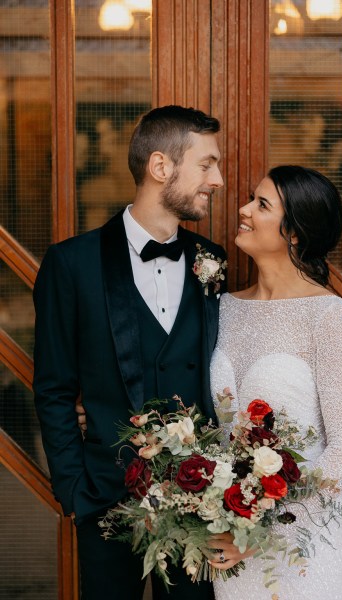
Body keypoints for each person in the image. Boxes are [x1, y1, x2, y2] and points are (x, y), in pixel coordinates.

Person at [33, 105, 226, 600]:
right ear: (161, 167)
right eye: (206, 164)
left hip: (198, 506)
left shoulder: (212, 262)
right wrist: (74, 489)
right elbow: (53, 388)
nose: (218, 179)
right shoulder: (71, 264)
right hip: (105, 499)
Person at [208, 165, 342, 599]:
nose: (243, 210)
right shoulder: (222, 308)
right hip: (230, 555)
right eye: (251, 199)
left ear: (294, 233)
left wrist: (257, 522)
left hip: (306, 552)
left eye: (261, 204)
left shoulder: (328, 316)